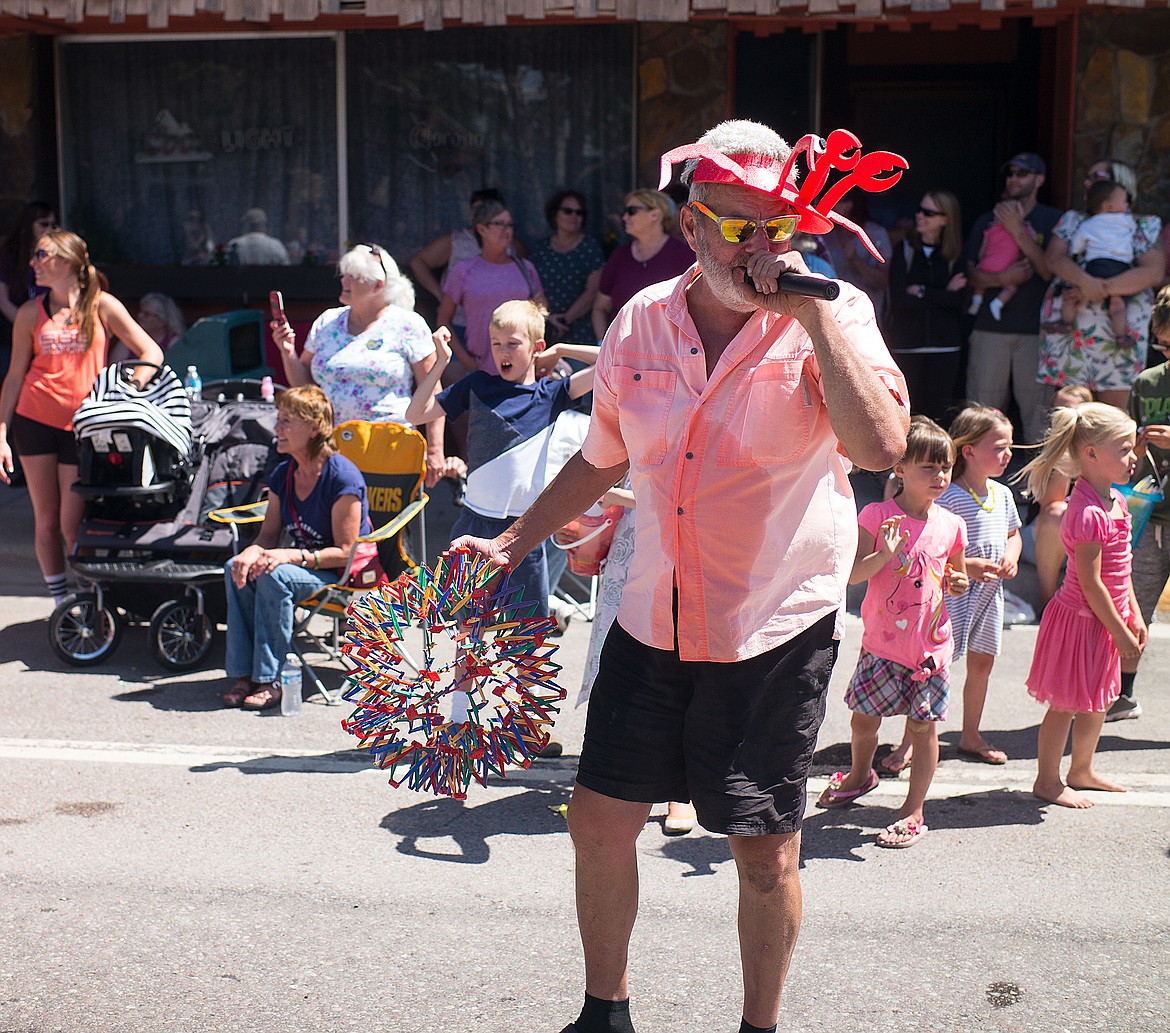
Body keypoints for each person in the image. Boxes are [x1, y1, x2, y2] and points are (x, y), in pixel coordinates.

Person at [448, 119, 908, 1033]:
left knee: (763, 850)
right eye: (739, 228)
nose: (763, 249)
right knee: (598, 819)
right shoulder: (640, 321)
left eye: (778, 228)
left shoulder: (834, 314)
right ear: (692, 224)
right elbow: (601, 457)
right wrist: (514, 541)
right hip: (651, 613)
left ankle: (758, 1026)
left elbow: (880, 447)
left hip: (772, 625)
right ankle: (604, 1010)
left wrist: (811, 315)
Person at [817, 417, 968, 848]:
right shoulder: (877, 516)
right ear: (899, 469)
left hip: (929, 650)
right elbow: (852, 576)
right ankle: (861, 775)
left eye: (947, 468)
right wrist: (885, 553)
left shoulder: (952, 524)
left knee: (923, 731)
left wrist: (960, 582)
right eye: (929, 468)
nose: (940, 477)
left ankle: (914, 809)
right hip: (881, 645)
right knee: (864, 721)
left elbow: (954, 573)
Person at [406, 301, 597, 632]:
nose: (502, 351)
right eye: (496, 343)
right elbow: (416, 414)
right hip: (474, 523)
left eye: (513, 343)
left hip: (524, 530)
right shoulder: (479, 384)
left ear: (536, 347)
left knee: (528, 632)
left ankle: (527, 684)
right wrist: (441, 363)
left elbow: (614, 358)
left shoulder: (552, 393)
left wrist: (561, 348)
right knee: (468, 626)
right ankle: (464, 686)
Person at [0, 229, 165, 603]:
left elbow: (150, 351)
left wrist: (128, 389)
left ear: (67, 261)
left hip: (85, 425)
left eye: (41, 255)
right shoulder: (30, 313)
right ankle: (61, 599)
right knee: (45, 518)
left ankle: (90, 594)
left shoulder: (101, 304)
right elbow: (13, 377)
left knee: (71, 523)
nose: (33, 263)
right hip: (34, 420)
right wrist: (1, 433)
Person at [881, 404, 1021, 774]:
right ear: (970, 451)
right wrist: (968, 567)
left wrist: (1012, 555)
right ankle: (910, 742)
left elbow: (1013, 533)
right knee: (930, 667)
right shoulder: (947, 495)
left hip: (990, 597)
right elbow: (930, 546)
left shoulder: (1003, 494)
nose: (1007, 454)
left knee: (982, 663)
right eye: (1000, 446)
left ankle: (970, 734)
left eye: (1009, 447)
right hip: (950, 597)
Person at [1018, 402, 1144, 807]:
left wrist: (1134, 614)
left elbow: (1121, 572)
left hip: (1107, 618)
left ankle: (1082, 769)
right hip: (1082, 620)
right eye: (1124, 449)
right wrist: (1120, 630)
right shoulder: (1087, 512)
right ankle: (1047, 780)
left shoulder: (1116, 502)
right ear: (1090, 454)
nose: (1134, 457)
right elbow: (1090, 584)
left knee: (1099, 699)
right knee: (1067, 704)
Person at [222, 385, 374, 710]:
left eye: (287, 420)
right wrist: (251, 552)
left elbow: (347, 551)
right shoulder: (284, 474)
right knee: (237, 566)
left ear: (314, 427)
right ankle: (243, 673)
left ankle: (273, 676)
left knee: (274, 576)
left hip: (340, 575)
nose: (277, 428)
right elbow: (269, 536)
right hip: (303, 568)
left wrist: (291, 555)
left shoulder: (342, 477)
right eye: (279, 419)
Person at [575, 477, 698, 836]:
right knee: (620, 671)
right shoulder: (627, 419)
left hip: (681, 553)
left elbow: (684, 497)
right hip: (627, 555)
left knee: (677, 671)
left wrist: (616, 495)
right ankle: (618, 786)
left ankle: (680, 793)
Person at [272, 243, 449, 487]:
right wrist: (287, 352)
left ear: (378, 285)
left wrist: (435, 450)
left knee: (384, 523)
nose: (345, 280)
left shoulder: (408, 325)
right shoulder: (327, 321)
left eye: (355, 276)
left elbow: (432, 391)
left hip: (388, 448)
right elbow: (306, 388)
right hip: (330, 446)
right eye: (345, 274)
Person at [1039, 159, 1164, 409]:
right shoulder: (1073, 220)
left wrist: (1099, 288)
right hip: (1072, 330)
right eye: (1088, 176)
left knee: (1112, 419)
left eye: (1098, 176)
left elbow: (1153, 271)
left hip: (1119, 331)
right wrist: (1086, 282)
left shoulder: (1141, 224)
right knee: (1070, 417)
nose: (1088, 182)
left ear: (1121, 184)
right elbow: (1054, 258)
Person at [965, 152, 1061, 443]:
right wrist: (1003, 279)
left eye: (1023, 173)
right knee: (982, 409)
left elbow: (1048, 271)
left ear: (1040, 179)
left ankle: (1040, 481)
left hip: (1036, 331)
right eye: (1011, 173)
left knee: (1038, 412)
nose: (1014, 178)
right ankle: (975, 477)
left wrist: (1018, 231)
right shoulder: (987, 218)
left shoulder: (1054, 219)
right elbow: (970, 274)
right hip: (989, 329)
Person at [1115, 290, 1170, 721]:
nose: (1166, 353)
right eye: (1163, 345)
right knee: (1134, 604)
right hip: (1151, 512)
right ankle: (1121, 695)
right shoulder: (1147, 382)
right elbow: (1126, 456)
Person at [884, 190, 968, 423]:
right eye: (919, 210)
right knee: (904, 415)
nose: (920, 216)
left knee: (938, 418)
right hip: (907, 346)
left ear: (945, 219)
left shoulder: (955, 255)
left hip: (945, 347)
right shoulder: (904, 249)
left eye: (928, 213)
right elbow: (899, 301)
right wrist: (944, 294)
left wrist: (922, 292)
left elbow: (958, 303)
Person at [435, 201, 547, 376]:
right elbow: (443, 320)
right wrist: (465, 359)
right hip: (480, 370)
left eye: (509, 225)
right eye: (499, 224)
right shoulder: (463, 271)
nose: (506, 230)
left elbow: (540, 312)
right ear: (481, 229)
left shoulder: (525, 268)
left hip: (522, 371)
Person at [1018, 384, 1095, 611]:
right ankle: (1047, 599)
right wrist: (1063, 450)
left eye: (1069, 411)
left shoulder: (1101, 449)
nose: (1061, 418)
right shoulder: (1047, 452)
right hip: (1045, 538)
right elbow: (1050, 503)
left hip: (1088, 536)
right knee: (1056, 513)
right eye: (1056, 412)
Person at [590, 189, 693, 340]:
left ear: (655, 215)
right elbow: (600, 307)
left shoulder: (685, 256)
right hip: (621, 355)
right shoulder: (619, 256)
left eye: (632, 211)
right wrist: (603, 344)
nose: (625, 217)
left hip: (668, 355)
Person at [1048, 179, 1138, 345]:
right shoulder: (1129, 221)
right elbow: (1133, 237)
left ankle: (1065, 322)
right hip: (1122, 267)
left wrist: (1076, 252)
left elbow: (1077, 246)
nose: (1127, 204)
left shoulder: (1088, 224)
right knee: (1118, 304)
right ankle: (1120, 335)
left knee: (1072, 295)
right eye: (1124, 201)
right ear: (1109, 206)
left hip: (1097, 265)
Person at [528, 191, 605, 346]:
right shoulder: (540, 249)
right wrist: (548, 318)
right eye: (568, 211)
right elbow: (532, 289)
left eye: (579, 212)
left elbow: (593, 291)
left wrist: (565, 319)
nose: (574, 216)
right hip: (544, 330)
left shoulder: (590, 248)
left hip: (580, 333)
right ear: (554, 214)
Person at [0, 201, 56, 381]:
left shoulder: (56, 255)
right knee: (13, 377)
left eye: (53, 225)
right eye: (43, 224)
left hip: (48, 332)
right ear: (29, 224)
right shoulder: (9, 254)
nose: (49, 230)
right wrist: (27, 327)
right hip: (13, 330)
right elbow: (2, 300)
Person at [815, 191, 891, 316]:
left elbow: (882, 281)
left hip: (867, 314)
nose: (828, 206)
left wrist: (855, 259)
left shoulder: (876, 233)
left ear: (848, 205)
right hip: (833, 312)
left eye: (834, 202)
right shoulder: (824, 235)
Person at [966, 210, 1036, 322]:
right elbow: (1033, 238)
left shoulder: (991, 229)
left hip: (987, 264)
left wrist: (982, 258)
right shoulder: (1019, 230)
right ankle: (998, 303)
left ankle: (976, 301)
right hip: (1006, 267)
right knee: (1011, 288)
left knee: (980, 284)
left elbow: (982, 249)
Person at [108, 291, 186, 364]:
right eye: (141, 311)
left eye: (147, 314)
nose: (140, 316)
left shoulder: (172, 341)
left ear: (162, 320)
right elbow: (115, 364)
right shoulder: (130, 336)